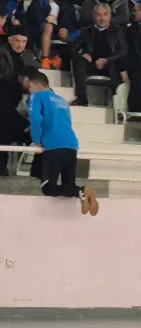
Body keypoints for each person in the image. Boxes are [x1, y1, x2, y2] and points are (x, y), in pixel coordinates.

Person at [25, 70, 98, 215]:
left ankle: (82, 191)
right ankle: (81, 194)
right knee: (68, 185)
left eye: (29, 87)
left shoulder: (37, 96)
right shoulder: (62, 100)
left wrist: (36, 141)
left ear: (36, 84)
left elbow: (35, 119)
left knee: (48, 187)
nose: (29, 90)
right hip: (71, 145)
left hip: (54, 145)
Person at [70, 2, 127, 107]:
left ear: (110, 15)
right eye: (99, 15)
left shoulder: (118, 31)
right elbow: (71, 48)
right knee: (79, 61)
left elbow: (123, 51)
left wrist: (107, 60)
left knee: (114, 64)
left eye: (105, 14)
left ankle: (118, 103)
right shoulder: (87, 31)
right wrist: (81, 55)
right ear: (94, 16)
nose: (102, 18)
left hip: (110, 66)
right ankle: (82, 99)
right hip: (91, 64)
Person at [0, 25, 39, 175]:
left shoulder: (28, 55)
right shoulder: (2, 53)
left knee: (11, 125)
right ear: (10, 40)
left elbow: (35, 73)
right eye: (17, 41)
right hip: (4, 96)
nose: (20, 45)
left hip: (21, 98)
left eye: (23, 41)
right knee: (7, 123)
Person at [6, 0, 60, 69]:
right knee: (16, 23)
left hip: (37, 24)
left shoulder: (42, 1)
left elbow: (46, 12)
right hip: (22, 22)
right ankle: (20, 56)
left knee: (49, 26)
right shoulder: (16, 2)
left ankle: (45, 59)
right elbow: (9, 13)